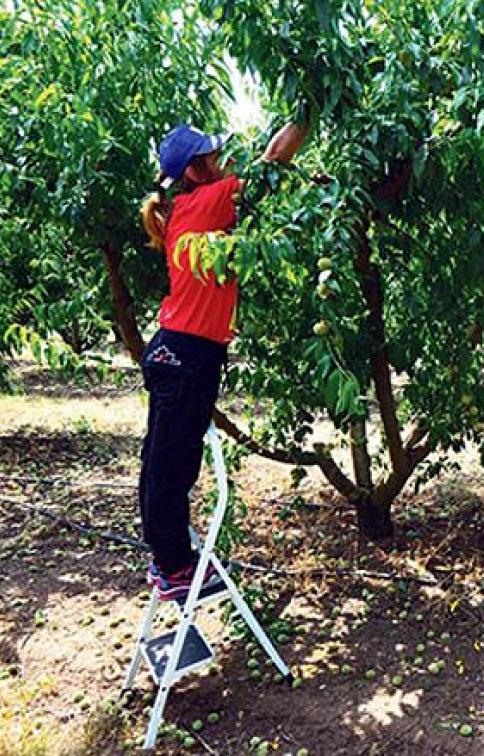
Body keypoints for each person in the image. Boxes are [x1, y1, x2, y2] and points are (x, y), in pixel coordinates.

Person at [137, 121, 307, 599]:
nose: (223, 159)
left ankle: (165, 559)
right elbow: (272, 165)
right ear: (194, 171)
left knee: (162, 457)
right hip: (187, 352)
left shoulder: (188, 209)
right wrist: (308, 112)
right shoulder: (205, 202)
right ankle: (172, 567)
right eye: (213, 155)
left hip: (178, 349)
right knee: (172, 461)